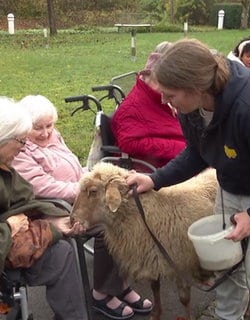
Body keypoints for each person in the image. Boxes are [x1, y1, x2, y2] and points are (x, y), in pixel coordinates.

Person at [125, 38, 250, 320]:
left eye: (170, 94)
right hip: (238, 174)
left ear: (196, 87)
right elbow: (197, 152)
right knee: (224, 260)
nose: (164, 100)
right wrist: (155, 179)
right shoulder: (189, 107)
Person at [12, 95, 152, 320]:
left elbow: (75, 168)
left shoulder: (53, 136)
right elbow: (43, 186)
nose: (47, 132)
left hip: (78, 197)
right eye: (38, 128)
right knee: (108, 228)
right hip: (52, 208)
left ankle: (118, 285)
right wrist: (88, 190)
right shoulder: (21, 151)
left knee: (124, 220)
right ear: (25, 127)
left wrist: (93, 180)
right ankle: (102, 294)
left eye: (50, 125)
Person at [0, 96, 88, 320]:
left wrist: (55, 220)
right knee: (61, 253)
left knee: (63, 244)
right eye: (20, 141)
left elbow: (25, 200)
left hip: (16, 235)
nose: (22, 149)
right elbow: (35, 192)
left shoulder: (6, 165)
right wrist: (10, 227)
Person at [111, 42, 186, 169]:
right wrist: (179, 148)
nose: (168, 85)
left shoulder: (157, 97)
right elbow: (128, 142)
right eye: (163, 80)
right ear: (148, 75)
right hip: (154, 170)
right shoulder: (132, 108)